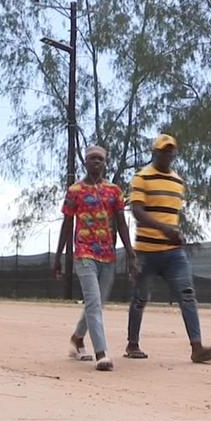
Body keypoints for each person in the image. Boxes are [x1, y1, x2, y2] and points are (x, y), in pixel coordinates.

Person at [125, 134, 211, 364]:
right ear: (155, 152)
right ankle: (132, 344)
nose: (167, 155)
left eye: (171, 151)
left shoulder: (178, 182)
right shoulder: (141, 178)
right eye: (163, 151)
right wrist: (164, 229)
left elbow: (172, 214)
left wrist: (174, 233)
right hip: (147, 251)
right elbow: (137, 211)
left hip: (173, 253)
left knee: (187, 295)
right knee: (140, 298)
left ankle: (197, 348)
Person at [53, 145, 135, 371]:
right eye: (92, 159)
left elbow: (121, 223)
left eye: (100, 159)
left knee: (96, 303)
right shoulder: (75, 191)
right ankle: (102, 353)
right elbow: (67, 224)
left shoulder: (114, 191)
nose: (96, 162)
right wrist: (59, 256)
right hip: (84, 253)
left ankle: (78, 338)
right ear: (86, 163)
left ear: (105, 163)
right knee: (93, 301)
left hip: (108, 254)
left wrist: (130, 253)